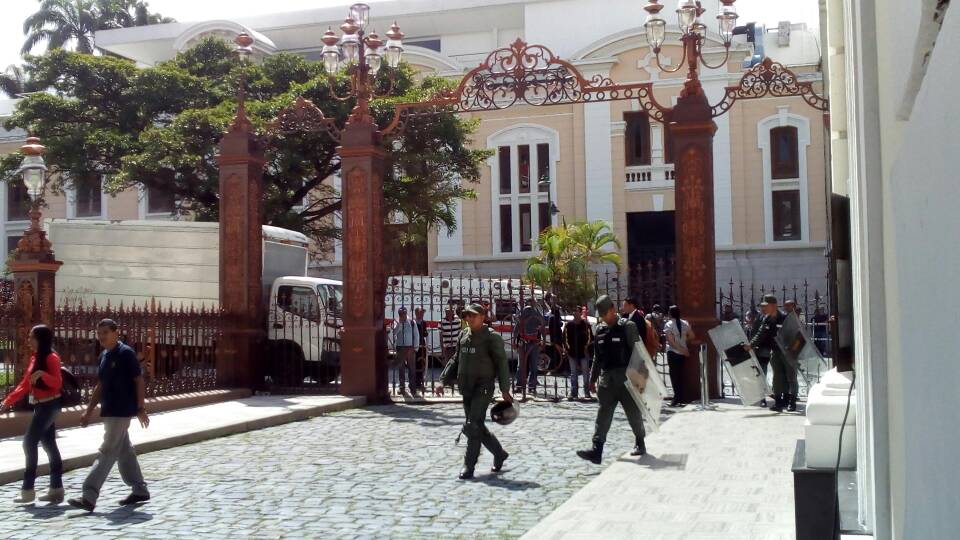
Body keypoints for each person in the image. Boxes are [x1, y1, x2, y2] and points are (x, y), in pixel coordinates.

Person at [68, 319, 150, 512]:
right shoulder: (104, 355)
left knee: (107, 451)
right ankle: (140, 489)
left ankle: (89, 495)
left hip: (122, 410)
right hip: (109, 409)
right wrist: (88, 410)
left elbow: (138, 381)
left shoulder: (126, 354)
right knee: (124, 450)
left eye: (105, 332)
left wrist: (140, 408)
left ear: (116, 333)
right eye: (99, 333)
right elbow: (101, 385)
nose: (102, 337)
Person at [437, 304, 513, 480]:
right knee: (477, 425)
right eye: (466, 316)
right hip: (467, 387)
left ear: (483, 317)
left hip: (483, 387)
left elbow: (502, 363)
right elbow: (456, 359)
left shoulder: (491, 337)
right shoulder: (463, 335)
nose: (469, 319)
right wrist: (442, 380)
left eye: (473, 315)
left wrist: (504, 388)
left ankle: (468, 466)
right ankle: (499, 453)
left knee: (472, 425)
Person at [576, 295, 647, 464]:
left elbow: (639, 353)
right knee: (603, 414)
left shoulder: (628, 327)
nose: (603, 318)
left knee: (633, 414)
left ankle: (640, 441)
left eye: (605, 314)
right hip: (607, 380)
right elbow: (598, 358)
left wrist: (641, 381)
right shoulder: (600, 330)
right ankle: (597, 449)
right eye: (601, 315)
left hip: (627, 379)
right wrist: (592, 379)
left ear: (613, 310)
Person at [0, 325, 64, 504]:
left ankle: (28, 490)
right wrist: (7, 401)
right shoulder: (35, 358)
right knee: (49, 444)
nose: (28, 340)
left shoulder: (52, 358)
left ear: (41, 339)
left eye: (31, 337)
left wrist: (43, 374)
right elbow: (25, 384)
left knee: (29, 443)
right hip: (40, 406)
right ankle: (56, 489)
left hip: (49, 405)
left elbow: (57, 383)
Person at [745, 295, 796, 412]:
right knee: (777, 378)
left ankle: (791, 402)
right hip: (775, 352)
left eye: (765, 306)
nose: (763, 308)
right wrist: (750, 345)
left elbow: (796, 335)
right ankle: (778, 403)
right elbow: (760, 333)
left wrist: (793, 351)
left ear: (773, 305)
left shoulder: (785, 318)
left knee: (791, 377)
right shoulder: (767, 319)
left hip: (788, 352)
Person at [663, 305, 696, 408]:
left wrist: (680, 348)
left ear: (670, 313)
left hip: (673, 352)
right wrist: (684, 345)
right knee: (680, 375)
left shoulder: (669, 324)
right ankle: (681, 398)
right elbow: (692, 336)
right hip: (682, 353)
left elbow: (670, 341)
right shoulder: (685, 323)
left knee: (674, 376)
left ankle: (676, 398)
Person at [513, 299, 544, 396]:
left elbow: (516, 328)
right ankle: (530, 386)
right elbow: (542, 323)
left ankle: (520, 386)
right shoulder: (534, 311)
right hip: (531, 341)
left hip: (525, 341)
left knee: (522, 365)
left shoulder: (524, 312)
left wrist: (515, 341)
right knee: (532, 365)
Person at [563, 306, 593, 401]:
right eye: (574, 311)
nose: (575, 313)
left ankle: (587, 392)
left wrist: (586, 347)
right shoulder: (569, 325)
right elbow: (565, 338)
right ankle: (574, 392)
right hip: (572, 352)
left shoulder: (585, 324)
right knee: (573, 373)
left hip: (583, 352)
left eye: (576, 311)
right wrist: (567, 349)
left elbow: (590, 337)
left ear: (580, 313)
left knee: (585, 373)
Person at [391, 307, 420, 396]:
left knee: (411, 368)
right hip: (400, 348)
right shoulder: (396, 322)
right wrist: (400, 324)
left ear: (406, 313)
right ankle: (402, 387)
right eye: (400, 314)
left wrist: (416, 347)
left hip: (410, 348)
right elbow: (394, 333)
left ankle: (412, 387)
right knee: (401, 368)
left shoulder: (412, 322)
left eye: (403, 314)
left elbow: (416, 335)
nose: (402, 316)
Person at [545, 295, 564, 373]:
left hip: (557, 336)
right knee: (555, 353)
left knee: (556, 353)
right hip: (555, 336)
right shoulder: (552, 314)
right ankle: (553, 369)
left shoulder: (556, 311)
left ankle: (555, 369)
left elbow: (559, 323)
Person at [414, 307, 428, 394]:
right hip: (415, 345)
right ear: (416, 313)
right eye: (420, 313)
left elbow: (425, 333)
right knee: (415, 364)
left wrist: (425, 333)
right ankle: (415, 382)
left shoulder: (424, 323)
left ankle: (421, 381)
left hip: (422, 344)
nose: (422, 314)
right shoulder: (413, 322)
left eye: (423, 313)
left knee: (422, 363)